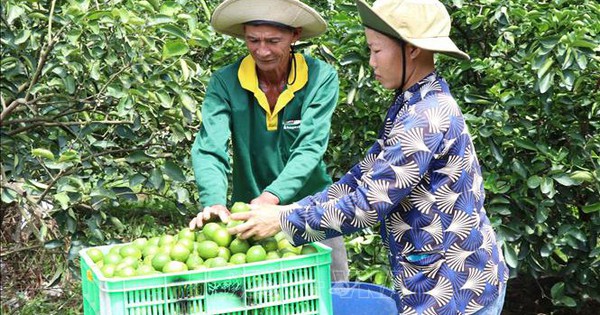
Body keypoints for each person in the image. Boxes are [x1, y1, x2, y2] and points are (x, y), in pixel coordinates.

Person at [227, 0, 509, 314]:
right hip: (434, 279)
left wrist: (284, 220)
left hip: (456, 290)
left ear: (411, 49)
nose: (371, 61)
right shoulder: (411, 102)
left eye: (376, 50)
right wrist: (293, 207)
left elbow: (367, 206)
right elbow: (360, 178)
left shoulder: (426, 117)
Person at [188, 0, 349, 281]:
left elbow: (309, 147)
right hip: (249, 217)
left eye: (273, 41)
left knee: (332, 290)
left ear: (294, 36)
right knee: (260, 296)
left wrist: (269, 200)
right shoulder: (225, 82)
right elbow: (209, 147)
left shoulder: (320, 78)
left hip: (309, 209)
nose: (262, 51)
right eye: (253, 40)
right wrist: (213, 201)